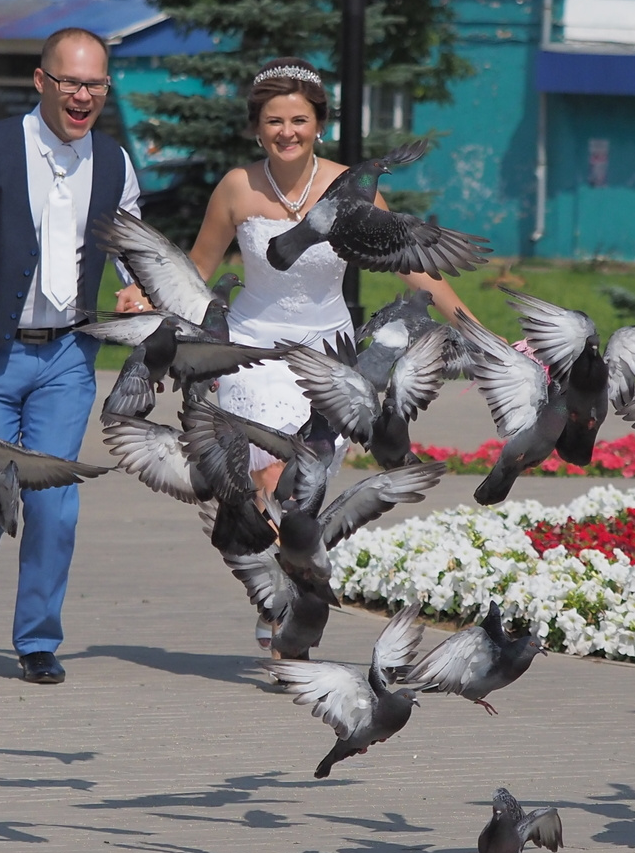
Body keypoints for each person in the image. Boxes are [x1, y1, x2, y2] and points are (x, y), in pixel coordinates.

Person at [134, 57, 475, 646]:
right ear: (257, 127)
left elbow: (413, 266)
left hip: (331, 358)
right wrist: (146, 293)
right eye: (273, 121)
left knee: (303, 495)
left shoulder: (351, 188)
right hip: (250, 353)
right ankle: (274, 599)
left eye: (298, 119)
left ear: (319, 124)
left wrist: (474, 328)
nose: (286, 131)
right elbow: (198, 267)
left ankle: (283, 599)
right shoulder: (238, 187)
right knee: (265, 477)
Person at [0, 27, 144, 686]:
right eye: (69, 81)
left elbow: (132, 248)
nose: (82, 95)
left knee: (53, 501)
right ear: (41, 80)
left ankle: (38, 640)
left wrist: (135, 289)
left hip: (69, 357)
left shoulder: (115, 162)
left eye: (95, 84)